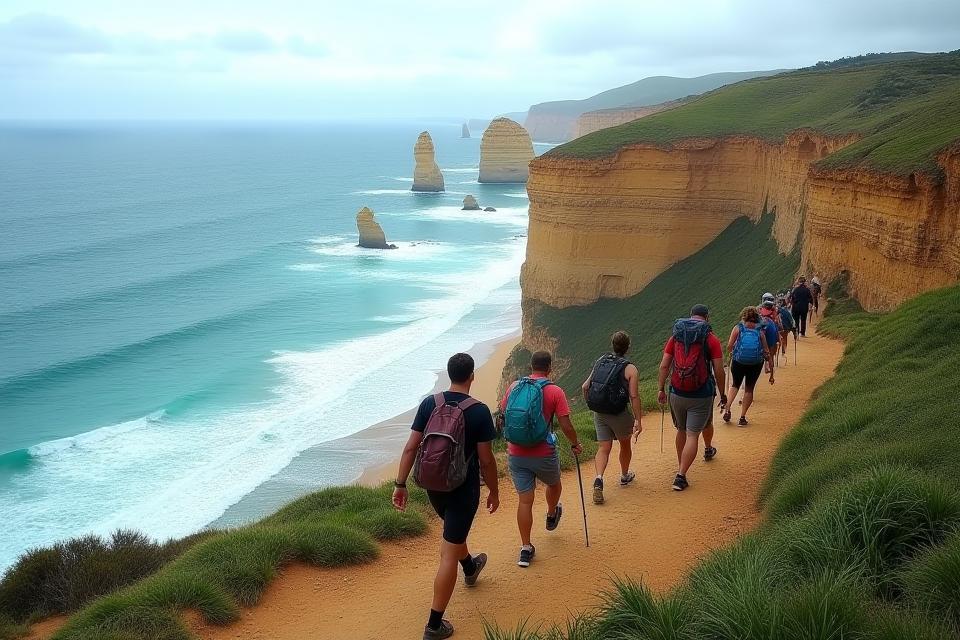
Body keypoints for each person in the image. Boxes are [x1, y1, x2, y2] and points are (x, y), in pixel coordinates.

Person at [392, 353, 499, 640]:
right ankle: (434, 626)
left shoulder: (430, 403)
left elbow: (410, 447)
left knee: (454, 534)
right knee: (448, 550)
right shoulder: (479, 411)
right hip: (463, 489)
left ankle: (471, 565)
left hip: (433, 485)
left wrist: (400, 484)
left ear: (449, 374)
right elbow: (486, 461)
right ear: (472, 376)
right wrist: (494, 491)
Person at [500, 351, 583, 567]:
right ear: (549, 368)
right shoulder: (555, 391)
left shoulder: (514, 386)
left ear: (531, 366)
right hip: (543, 452)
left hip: (516, 453)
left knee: (525, 501)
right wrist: (575, 443)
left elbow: (504, 412)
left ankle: (525, 549)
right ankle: (551, 513)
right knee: (554, 484)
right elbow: (565, 425)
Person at [657, 304, 727, 491]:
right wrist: (722, 393)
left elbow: (664, 365)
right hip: (701, 394)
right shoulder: (711, 339)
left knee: (681, 430)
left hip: (677, 391)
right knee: (692, 434)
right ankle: (681, 476)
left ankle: (682, 466)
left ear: (690, 316)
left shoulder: (676, 336)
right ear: (707, 318)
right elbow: (719, 370)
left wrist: (661, 389)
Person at [581, 330, 643, 505]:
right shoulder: (630, 368)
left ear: (612, 345)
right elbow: (634, 396)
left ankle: (599, 478)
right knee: (625, 444)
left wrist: (592, 405)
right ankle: (624, 475)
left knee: (603, 448)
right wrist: (638, 419)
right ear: (628, 347)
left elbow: (585, 386)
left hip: (599, 413)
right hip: (618, 413)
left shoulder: (601, 360)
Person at [723, 307, 774, 426]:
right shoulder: (760, 331)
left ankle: (727, 408)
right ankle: (742, 417)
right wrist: (770, 367)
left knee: (735, 384)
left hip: (738, 361)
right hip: (755, 363)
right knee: (749, 388)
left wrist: (732, 353)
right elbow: (766, 350)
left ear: (744, 316)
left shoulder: (738, 328)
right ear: (757, 317)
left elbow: (729, 346)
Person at [758, 294, 781, 374]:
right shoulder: (774, 309)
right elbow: (776, 320)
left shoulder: (759, 309)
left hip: (761, 327)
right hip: (772, 327)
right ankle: (769, 366)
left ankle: (765, 365)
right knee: (771, 349)